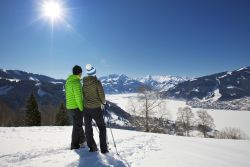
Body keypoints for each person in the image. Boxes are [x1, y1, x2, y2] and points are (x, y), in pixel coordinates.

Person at [82, 64, 109, 154]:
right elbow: (101, 94)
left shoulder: (84, 83)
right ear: (94, 73)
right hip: (96, 108)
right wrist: (103, 102)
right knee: (102, 128)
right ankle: (104, 149)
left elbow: (83, 95)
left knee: (88, 128)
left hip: (86, 108)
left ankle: (92, 147)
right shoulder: (97, 82)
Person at [65, 65, 86, 150]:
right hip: (76, 107)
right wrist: (81, 108)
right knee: (77, 126)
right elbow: (78, 97)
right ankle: (74, 145)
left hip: (70, 107)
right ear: (79, 73)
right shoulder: (76, 82)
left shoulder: (68, 81)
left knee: (77, 125)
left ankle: (82, 141)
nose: (81, 74)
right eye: (81, 73)